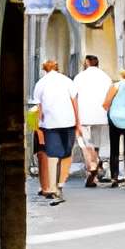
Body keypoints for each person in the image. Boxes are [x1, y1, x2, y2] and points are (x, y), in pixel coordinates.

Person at [30, 57, 79, 205]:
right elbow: (74, 102)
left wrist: (37, 127)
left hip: (49, 123)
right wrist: (78, 122)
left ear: (44, 69)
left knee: (52, 154)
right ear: (57, 67)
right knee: (66, 153)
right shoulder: (67, 81)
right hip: (68, 121)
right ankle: (60, 184)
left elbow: (37, 108)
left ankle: (52, 187)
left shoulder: (40, 83)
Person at [74, 52, 113, 187]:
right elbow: (110, 95)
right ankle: (95, 166)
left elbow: (74, 96)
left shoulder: (79, 77)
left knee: (85, 143)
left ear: (87, 63)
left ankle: (91, 166)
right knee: (96, 143)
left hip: (83, 114)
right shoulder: (106, 77)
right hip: (101, 115)